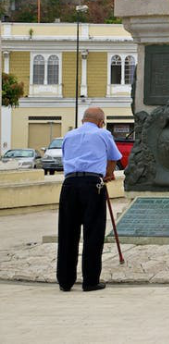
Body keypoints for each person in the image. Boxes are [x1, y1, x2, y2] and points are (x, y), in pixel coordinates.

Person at [56, 107, 122, 292]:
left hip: (69, 185)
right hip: (93, 185)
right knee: (93, 233)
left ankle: (65, 280)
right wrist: (108, 174)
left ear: (83, 120)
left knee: (67, 233)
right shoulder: (103, 134)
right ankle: (90, 281)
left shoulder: (69, 135)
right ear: (101, 122)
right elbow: (114, 157)